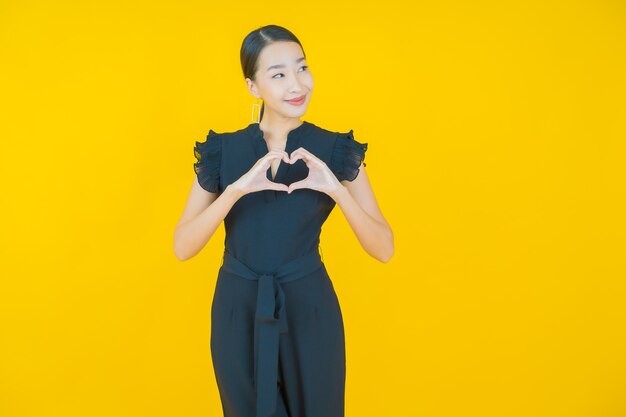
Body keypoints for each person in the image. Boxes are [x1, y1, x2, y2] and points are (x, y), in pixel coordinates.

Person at [174, 24, 394, 417]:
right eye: (278, 74)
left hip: (309, 309)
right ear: (252, 86)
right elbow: (182, 247)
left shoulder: (337, 150)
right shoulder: (222, 151)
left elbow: (384, 249)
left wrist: (337, 190)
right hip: (237, 310)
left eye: (302, 68)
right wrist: (236, 190)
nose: (297, 84)